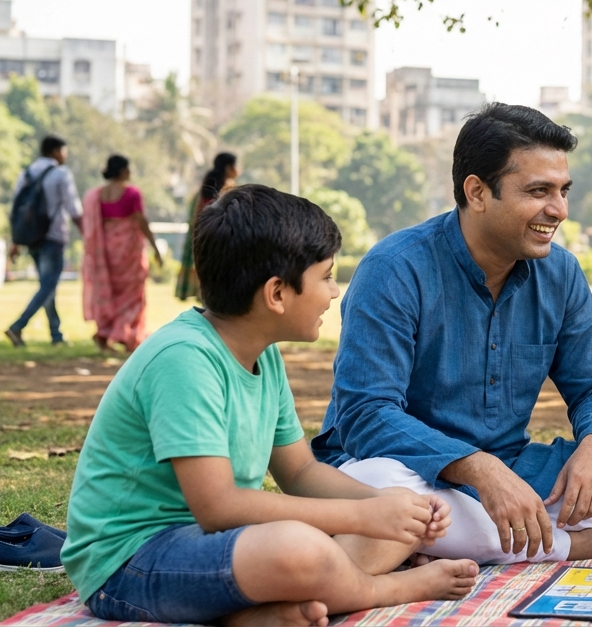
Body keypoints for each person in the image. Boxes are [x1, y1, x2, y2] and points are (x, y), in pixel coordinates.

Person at [61, 185, 477, 626]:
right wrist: (363, 514)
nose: (334, 292)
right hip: (130, 563)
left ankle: (255, 612)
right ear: (277, 294)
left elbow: (299, 472)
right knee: (299, 548)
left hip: (216, 547)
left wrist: (384, 503)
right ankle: (380, 589)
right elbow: (218, 507)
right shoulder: (184, 359)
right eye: (326, 276)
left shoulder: (263, 355)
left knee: (400, 515)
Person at [313, 104, 592, 565]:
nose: (559, 210)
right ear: (477, 192)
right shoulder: (394, 269)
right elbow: (366, 415)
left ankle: (459, 541)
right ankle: (576, 544)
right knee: (381, 486)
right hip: (408, 471)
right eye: (539, 191)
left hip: (513, 470)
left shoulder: (561, 273)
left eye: (563, 191)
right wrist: (479, 469)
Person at [5, 136, 82, 347]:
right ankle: (18, 326)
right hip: (53, 236)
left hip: (31, 237)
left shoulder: (26, 173)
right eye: (64, 151)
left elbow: (17, 210)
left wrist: (16, 240)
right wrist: (86, 233)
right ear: (55, 151)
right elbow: (74, 209)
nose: (65, 155)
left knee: (47, 287)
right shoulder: (61, 174)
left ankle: (56, 334)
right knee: (48, 286)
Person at [81, 155, 164, 352]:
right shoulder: (132, 193)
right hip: (129, 252)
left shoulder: (96, 196)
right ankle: (125, 334)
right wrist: (154, 246)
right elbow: (140, 220)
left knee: (109, 291)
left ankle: (105, 332)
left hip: (106, 252)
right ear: (123, 171)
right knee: (133, 294)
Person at [176, 153, 239, 301]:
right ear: (229, 168)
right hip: (222, 241)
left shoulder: (203, 191)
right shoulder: (228, 190)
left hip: (202, 240)